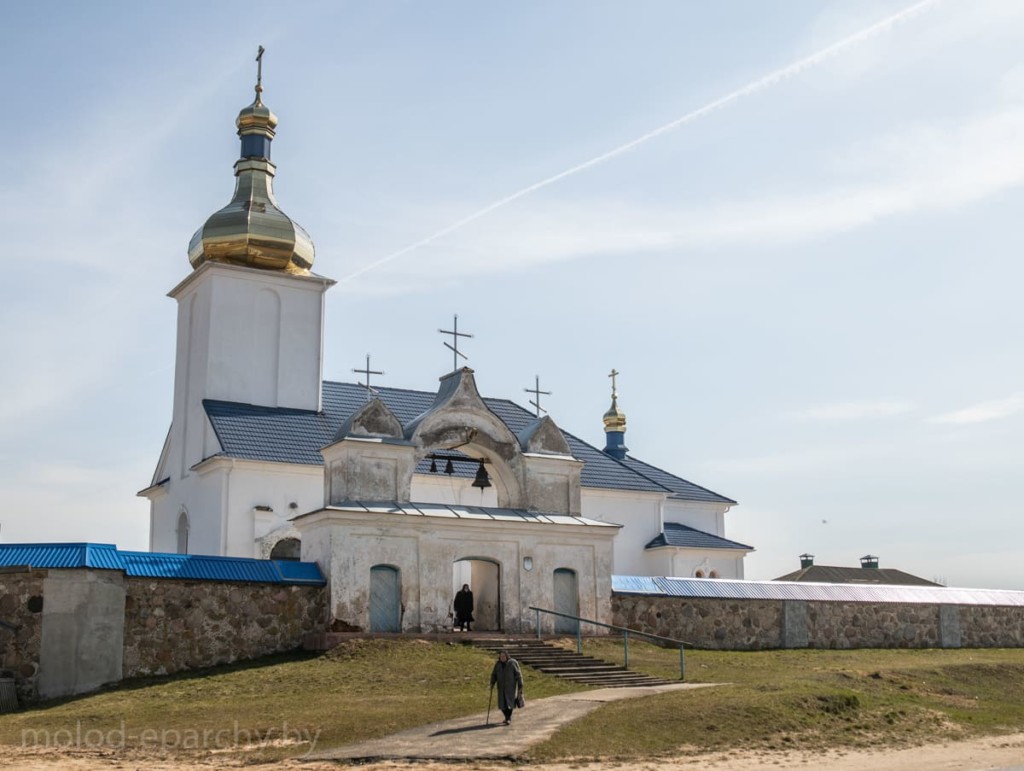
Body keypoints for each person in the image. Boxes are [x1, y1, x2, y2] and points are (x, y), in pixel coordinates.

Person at [489, 649, 523, 725]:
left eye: (504, 656)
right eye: (501, 656)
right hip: (501, 687)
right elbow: (493, 674)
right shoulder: (498, 664)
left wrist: (520, 683)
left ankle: (508, 718)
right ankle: (507, 717)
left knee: (510, 703)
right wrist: (492, 683)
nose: (502, 657)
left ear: (507, 656)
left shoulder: (512, 663)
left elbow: (518, 674)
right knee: (502, 704)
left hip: (510, 687)